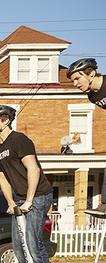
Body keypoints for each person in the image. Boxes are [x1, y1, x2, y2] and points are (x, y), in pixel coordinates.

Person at [0, 105, 56, 263]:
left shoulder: (20, 140)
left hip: (39, 195)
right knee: (18, 247)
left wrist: (28, 200)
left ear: (5, 120)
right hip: (19, 199)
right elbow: (3, 178)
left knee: (33, 243)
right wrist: (11, 202)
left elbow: (33, 170)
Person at [67, 58, 105, 217]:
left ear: (91, 73)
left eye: (77, 78)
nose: (75, 84)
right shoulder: (92, 96)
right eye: (73, 80)